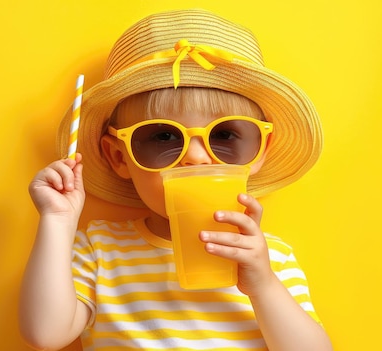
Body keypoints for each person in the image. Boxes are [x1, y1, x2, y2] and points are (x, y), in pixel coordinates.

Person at [19, 8, 332, 351]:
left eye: (224, 136)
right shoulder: (101, 248)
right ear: (119, 157)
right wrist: (58, 222)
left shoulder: (269, 257)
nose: (196, 158)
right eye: (164, 138)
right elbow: (44, 335)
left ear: (259, 152)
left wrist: (263, 285)